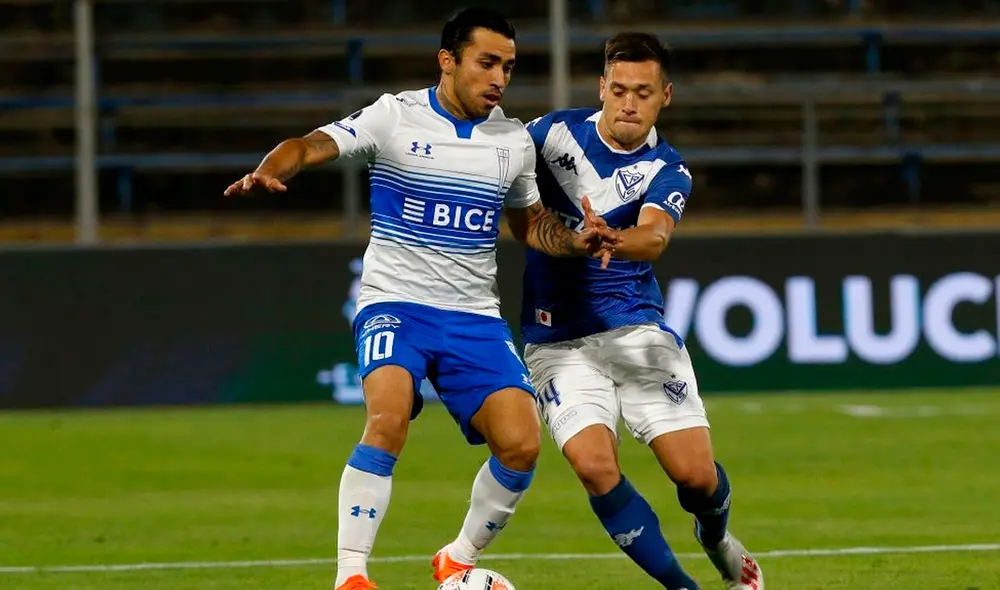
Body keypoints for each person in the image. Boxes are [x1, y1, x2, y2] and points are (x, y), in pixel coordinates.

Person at [224, 8, 616, 590]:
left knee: (522, 444)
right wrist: (270, 168)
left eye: (508, 67)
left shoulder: (511, 141)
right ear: (448, 61)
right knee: (387, 419)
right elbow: (308, 146)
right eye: (487, 63)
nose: (499, 79)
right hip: (395, 303)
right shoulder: (394, 117)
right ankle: (351, 576)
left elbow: (530, 225)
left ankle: (456, 558)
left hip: (474, 316)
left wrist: (577, 241)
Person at [519, 32, 765, 590]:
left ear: (665, 97)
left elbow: (654, 237)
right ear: (602, 87)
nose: (629, 103)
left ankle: (716, 535)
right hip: (557, 340)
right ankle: (684, 587)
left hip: (637, 331)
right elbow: (504, 180)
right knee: (594, 466)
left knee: (696, 477)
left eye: (644, 93)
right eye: (620, 89)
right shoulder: (549, 133)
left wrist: (612, 239)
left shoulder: (667, 168)